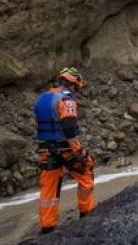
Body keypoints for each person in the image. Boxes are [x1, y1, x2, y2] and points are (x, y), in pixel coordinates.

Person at [33, 67, 95, 233]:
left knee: (49, 185)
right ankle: (87, 213)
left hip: (45, 150)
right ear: (73, 84)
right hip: (65, 148)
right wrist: (79, 150)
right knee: (86, 170)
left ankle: (47, 226)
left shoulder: (41, 99)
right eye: (77, 87)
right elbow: (68, 127)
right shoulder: (66, 100)